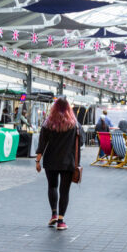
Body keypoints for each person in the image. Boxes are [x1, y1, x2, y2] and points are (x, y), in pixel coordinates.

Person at [35, 98, 84, 231]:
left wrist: (37, 161)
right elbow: (81, 143)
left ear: (54, 109)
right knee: (64, 191)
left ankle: (54, 214)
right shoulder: (75, 125)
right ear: (69, 108)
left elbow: (42, 144)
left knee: (52, 186)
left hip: (50, 161)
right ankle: (61, 221)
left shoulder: (48, 123)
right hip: (68, 162)